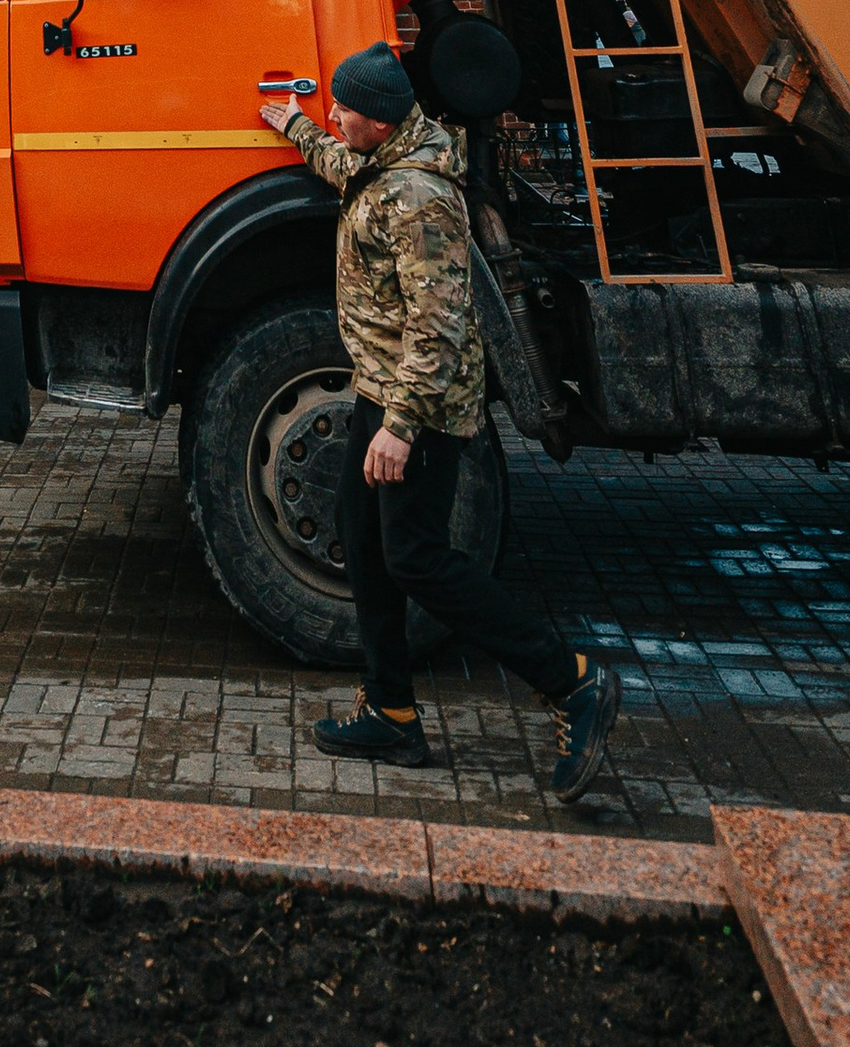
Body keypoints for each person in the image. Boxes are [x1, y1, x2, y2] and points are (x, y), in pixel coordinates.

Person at [264, 39, 621, 803]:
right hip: (381, 387)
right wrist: (294, 125)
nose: (336, 114)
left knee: (417, 558)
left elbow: (440, 323)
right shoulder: (384, 158)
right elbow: (343, 163)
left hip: (421, 404)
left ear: (379, 119)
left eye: (343, 108)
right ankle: (391, 711)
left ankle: (573, 680)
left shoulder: (421, 197)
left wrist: (399, 427)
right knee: (364, 542)